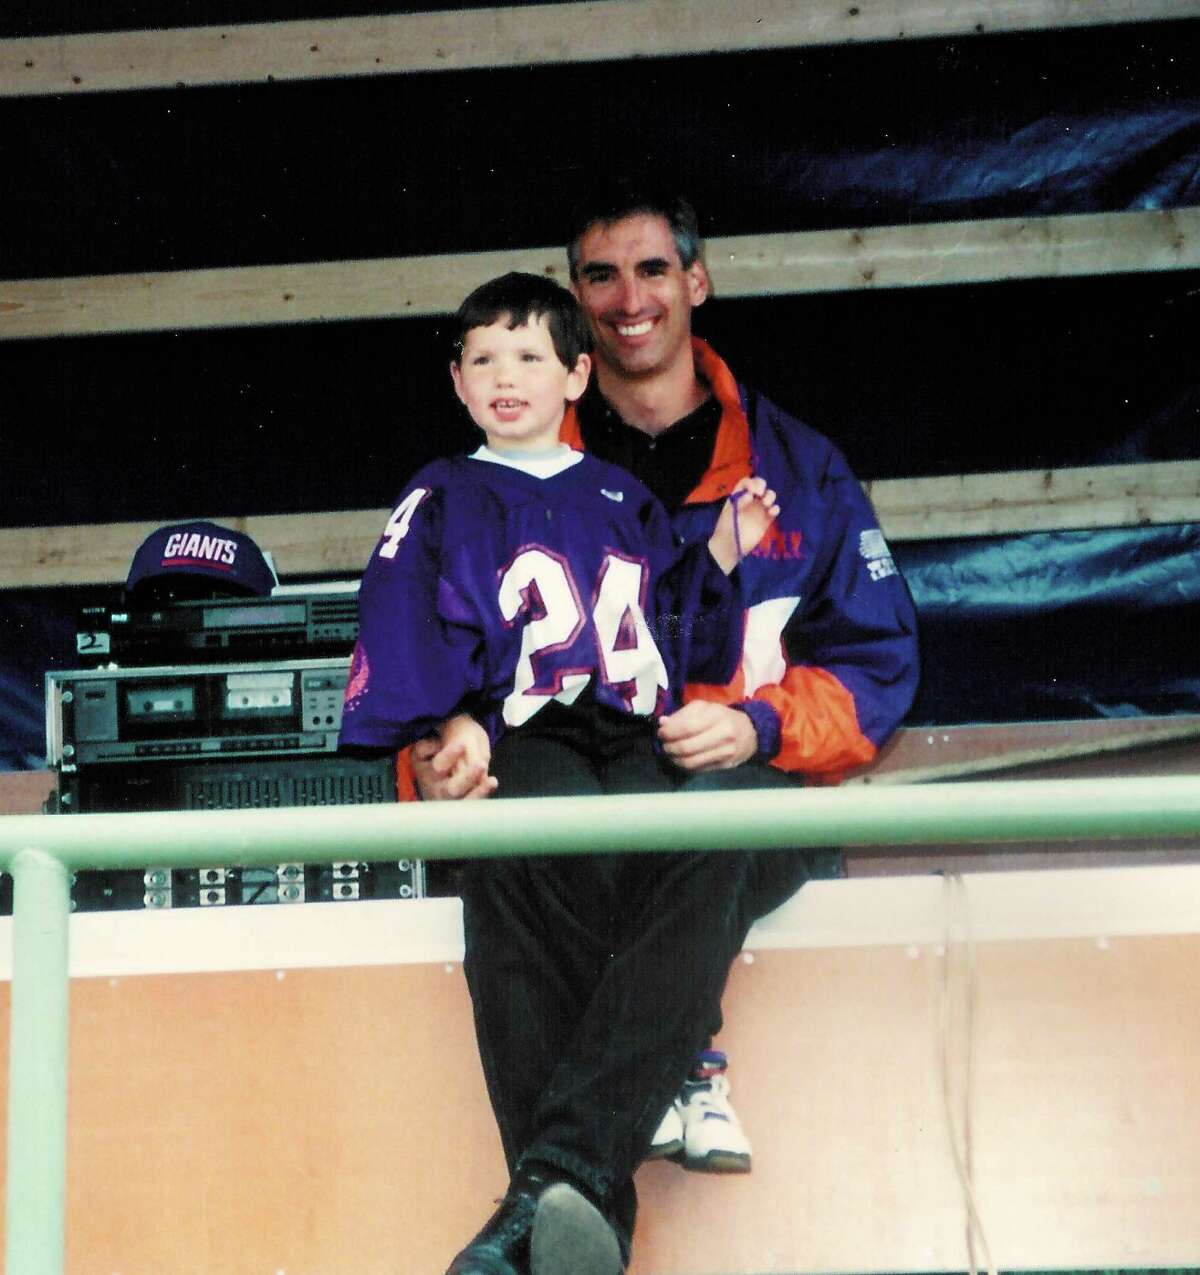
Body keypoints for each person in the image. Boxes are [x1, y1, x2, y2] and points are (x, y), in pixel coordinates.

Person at [408, 185, 920, 1275]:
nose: (628, 298)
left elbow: (879, 668)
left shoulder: (800, 469)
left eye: (651, 269)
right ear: (576, 306)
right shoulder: (518, 472)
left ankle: (546, 1192)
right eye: (599, 275)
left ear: (697, 280)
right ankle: (561, 1215)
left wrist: (760, 723)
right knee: (506, 849)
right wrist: (447, 745)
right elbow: (445, 661)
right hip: (590, 812)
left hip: (738, 806)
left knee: (708, 818)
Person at [341, 271, 779, 803]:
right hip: (521, 731)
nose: (505, 379)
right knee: (568, 829)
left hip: (632, 728)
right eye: (485, 361)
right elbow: (402, 611)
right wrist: (454, 722)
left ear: (576, 376)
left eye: (528, 359)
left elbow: (663, 626)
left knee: (667, 831)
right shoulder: (442, 495)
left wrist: (718, 555)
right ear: (458, 381)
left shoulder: (623, 497)